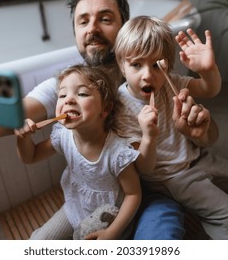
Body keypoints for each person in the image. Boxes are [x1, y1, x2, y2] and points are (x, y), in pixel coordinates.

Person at [0, 0, 185, 239]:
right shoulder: (66, 86)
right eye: (83, 21)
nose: (92, 29)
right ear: (75, 32)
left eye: (105, 18)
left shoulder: (148, 68)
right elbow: (1, 123)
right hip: (91, 200)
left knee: (160, 237)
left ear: (124, 25)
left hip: (154, 184)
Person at [114, 15, 228, 239]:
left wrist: (208, 70)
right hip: (171, 177)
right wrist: (148, 136)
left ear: (168, 65)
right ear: (122, 65)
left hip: (198, 156)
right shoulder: (121, 108)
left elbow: (209, 89)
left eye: (156, 64)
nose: (148, 75)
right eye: (136, 64)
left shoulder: (171, 83)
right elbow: (143, 168)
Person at [15, 64, 141, 239]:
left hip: (109, 215)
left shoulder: (117, 153)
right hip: (76, 206)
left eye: (81, 93)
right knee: (39, 240)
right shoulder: (63, 136)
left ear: (105, 109)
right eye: (62, 95)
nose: (68, 100)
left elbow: (133, 194)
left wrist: (112, 232)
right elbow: (31, 156)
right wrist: (23, 138)